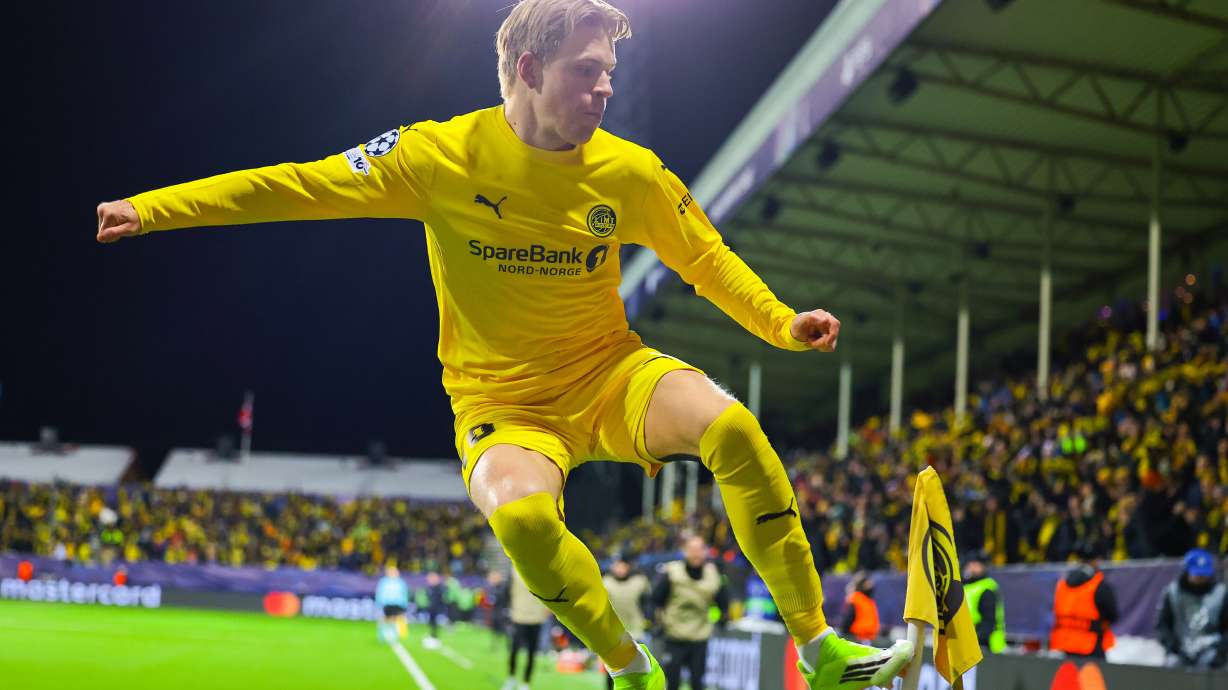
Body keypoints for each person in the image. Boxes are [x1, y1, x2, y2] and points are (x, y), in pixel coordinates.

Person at [94, 1, 914, 687]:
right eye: (585, 71)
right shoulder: (437, 156)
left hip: (611, 373)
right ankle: (631, 669)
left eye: (609, 72)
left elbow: (705, 259)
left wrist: (780, 322)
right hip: (503, 405)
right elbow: (298, 185)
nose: (604, 87)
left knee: (732, 428)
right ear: (527, 68)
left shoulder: (629, 172)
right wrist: (153, 209)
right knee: (521, 520)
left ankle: (818, 646)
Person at [651, 535, 729, 690]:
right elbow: (655, 599)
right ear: (685, 551)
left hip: (699, 637)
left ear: (705, 552)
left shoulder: (713, 575)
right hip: (674, 636)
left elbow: (724, 602)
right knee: (672, 682)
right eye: (692, 549)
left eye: (700, 549)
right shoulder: (672, 573)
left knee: (697, 683)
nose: (696, 554)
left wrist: (723, 617)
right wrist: (656, 621)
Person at [1155, 548, 1227, 669]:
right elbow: (1163, 625)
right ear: (1187, 571)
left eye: (1204, 574)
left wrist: (1221, 651)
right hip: (1180, 648)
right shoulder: (1172, 593)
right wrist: (1173, 646)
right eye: (1197, 574)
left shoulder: (1221, 593)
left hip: (1212, 649)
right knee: (1172, 665)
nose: (1201, 577)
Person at [1049, 545, 1118, 659]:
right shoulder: (1099, 585)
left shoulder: (1062, 584)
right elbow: (1113, 615)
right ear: (1096, 561)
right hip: (1091, 647)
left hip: (1064, 647)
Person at [604, 553, 652, 690]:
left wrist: (649, 620)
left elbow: (648, 603)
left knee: (638, 668)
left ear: (628, 566)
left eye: (622, 565)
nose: (619, 568)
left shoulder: (639, 582)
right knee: (613, 670)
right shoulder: (605, 582)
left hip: (636, 630)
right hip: (614, 632)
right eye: (617, 565)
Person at [505, 567, 552, 690]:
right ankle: (511, 678)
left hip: (536, 617)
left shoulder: (541, 570)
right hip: (519, 615)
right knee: (514, 650)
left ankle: (526, 682)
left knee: (531, 652)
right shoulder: (514, 569)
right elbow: (508, 590)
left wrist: (548, 608)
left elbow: (548, 590)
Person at [962, 553, 1005, 654]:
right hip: (971, 642)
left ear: (983, 567)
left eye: (975, 564)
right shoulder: (967, 586)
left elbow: (989, 621)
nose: (971, 567)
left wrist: (977, 640)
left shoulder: (987, 588)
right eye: (970, 564)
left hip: (988, 645)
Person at [839, 573, 880, 645]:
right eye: (867, 584)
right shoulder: (855, 599)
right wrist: (847, 636)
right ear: (861, 585)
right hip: (855, 638)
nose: (870, 586)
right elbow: (848, 619)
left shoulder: (868, 600)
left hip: (868, 638)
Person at [375, 563, 411, 643]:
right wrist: (378, 602)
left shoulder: (401, 582)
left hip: (398, 603)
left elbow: (404, 593)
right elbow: (379, 592)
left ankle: (394, 635)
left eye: (395, 571)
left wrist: (404, 603)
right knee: (384, 619)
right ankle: (381, 635)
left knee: (396, 619)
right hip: (387, 603)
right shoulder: (383, 582)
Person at [421, 571, 448, 649]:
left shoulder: (440, 587)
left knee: (435, 623)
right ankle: (433, 635)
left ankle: (435, 637)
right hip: (432, 608)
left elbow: (442, 598)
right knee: (432, 623)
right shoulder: (431, 588)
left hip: (437, 608)